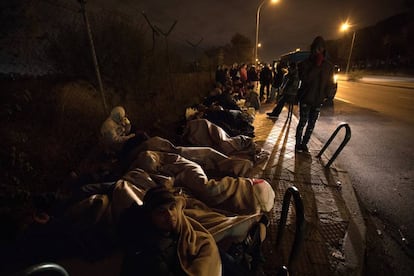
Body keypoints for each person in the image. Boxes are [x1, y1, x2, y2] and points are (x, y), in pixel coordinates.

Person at [118, 185, 264, 276]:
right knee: (216, 256)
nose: (170, 216)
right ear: (150, 216)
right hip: (181, 264)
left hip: (188, 251)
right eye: (161, 212)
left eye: (171, 208)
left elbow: (181, 208)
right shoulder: (150, 251)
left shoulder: (169, 223)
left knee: (213, 248)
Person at [295, 36, 335, 152]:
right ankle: (298, 144)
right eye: (316, 49)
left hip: (318, 100)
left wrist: (327, 96)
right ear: (313, 49)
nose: (318, 51)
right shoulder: (305, 64)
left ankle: (305, 143)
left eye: (321, 49)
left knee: (312, 124)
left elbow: (330, 83)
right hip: (306, 98)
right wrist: (316, 66)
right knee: (302, 122)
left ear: (324, 49)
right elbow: (305, 79)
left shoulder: (328, 66)